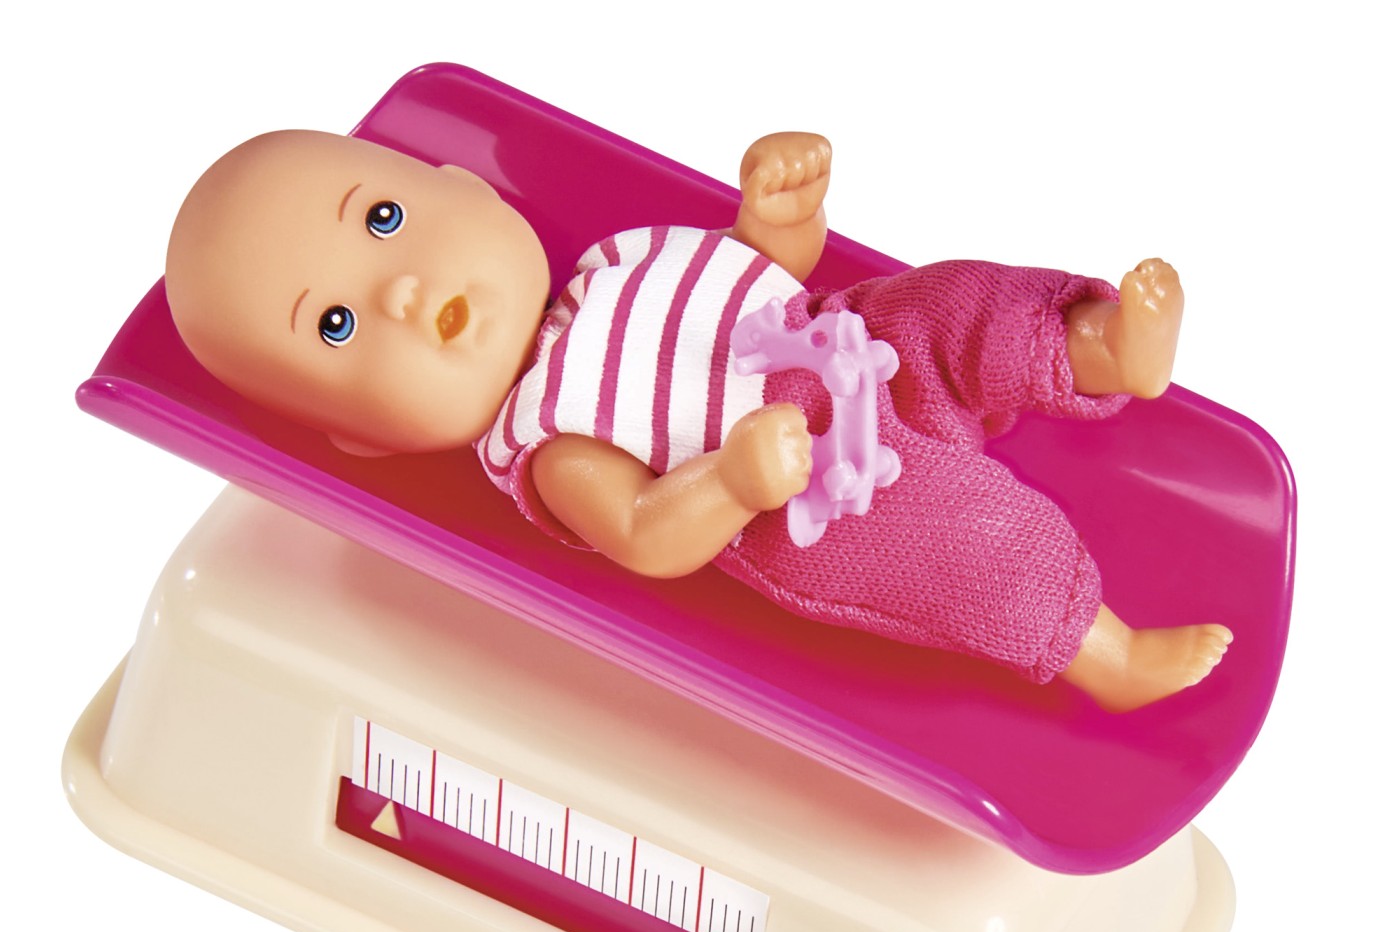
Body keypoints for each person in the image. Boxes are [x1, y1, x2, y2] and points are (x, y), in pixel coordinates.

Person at [165, 128, 1231, 711]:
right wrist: (730, 480)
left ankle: (1095, 346)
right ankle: (1105, 655)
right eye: (338, 326)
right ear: (370, 440)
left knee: (952, 303)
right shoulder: (548, 436)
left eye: (383, 218)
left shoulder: (613, 262)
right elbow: (640, 532)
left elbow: (755, 279)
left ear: (466, 189)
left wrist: (777, 219)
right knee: (971, 547)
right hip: (812, 499)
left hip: (843, 338)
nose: (398, 291)